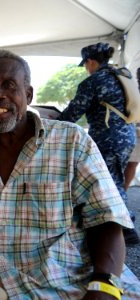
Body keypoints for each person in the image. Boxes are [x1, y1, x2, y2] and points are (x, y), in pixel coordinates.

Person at [0, 49, 140, 299]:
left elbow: (105, 217)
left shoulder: (71, 140)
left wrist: (104, 286)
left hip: (79, 277)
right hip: (7, 282)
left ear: (28, 94)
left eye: (9, 85)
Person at [58, 42, 139, 245]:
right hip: (126, 136)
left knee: (109, 182)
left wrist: (53, 124)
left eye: (86, 65)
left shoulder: (94, 81)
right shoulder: (119, 76)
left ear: (91, 62)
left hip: (108, 137)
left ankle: (125, 228)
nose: (87, 68)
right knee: (115, 179)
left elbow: (73, 112)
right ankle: (119, 221)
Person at [124, 68, 140, 191]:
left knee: (131, 164)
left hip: (134, 131)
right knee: (131, 164)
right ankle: (123, 191)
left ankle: (122, 191)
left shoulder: (133, 91)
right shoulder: (134, 91)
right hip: (134, 131)